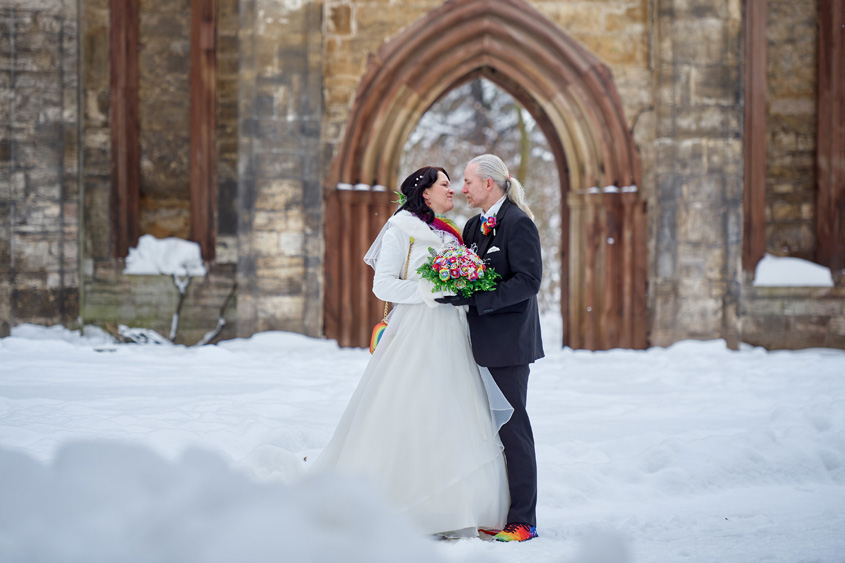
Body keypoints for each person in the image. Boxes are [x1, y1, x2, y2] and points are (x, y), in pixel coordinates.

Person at [310, 166, 512, 539]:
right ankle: (403, 502)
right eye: (445, 185)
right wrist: (428, 292)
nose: (453, 191)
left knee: (454, 411)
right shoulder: (402, 228)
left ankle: (455, 504)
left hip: (454, 332)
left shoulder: (449, 231)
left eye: (454, 185)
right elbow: (382, 284)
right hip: (418, 332)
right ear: (424, 193)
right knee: (414, 409)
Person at [437, 154, 544, 542]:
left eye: (467, 182)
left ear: (489, 184)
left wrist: (478, 301)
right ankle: (497, 510)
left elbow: (529, 282)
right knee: (484, 430)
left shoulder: (518, 223)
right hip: (476, 344)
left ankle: (524, 521)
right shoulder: (472, 226)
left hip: (510, 346)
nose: (462, 189)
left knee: (513, 430)